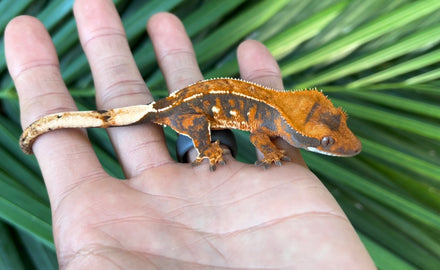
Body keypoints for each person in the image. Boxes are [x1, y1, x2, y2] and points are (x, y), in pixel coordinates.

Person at [5, 0, 375, 269]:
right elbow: (262, 139)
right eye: (327, 141)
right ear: (298, 133)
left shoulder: (280, 113)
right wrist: (210, 149)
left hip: (193, 101)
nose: (340, 143)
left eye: (332, 136)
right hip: (184, 111)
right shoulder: (273, 123)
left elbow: (268, 135)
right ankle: (201, 147)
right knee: (197, 129)